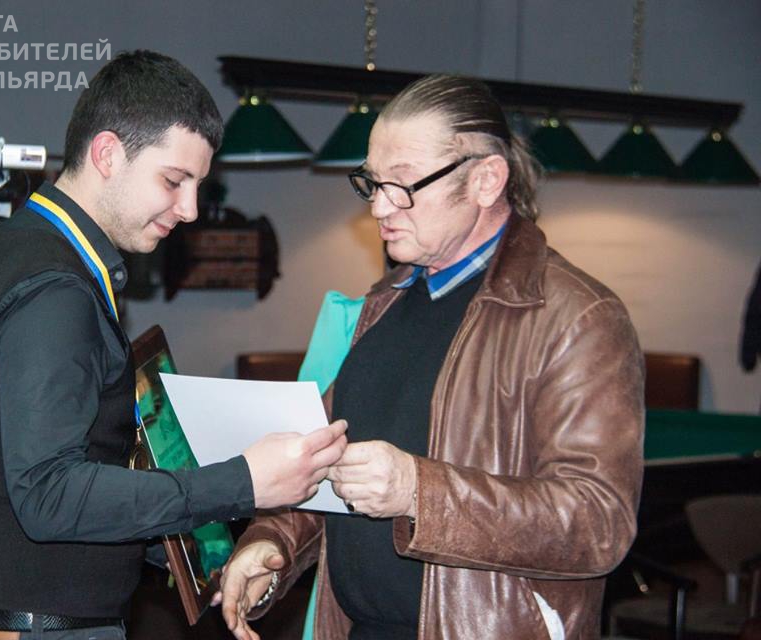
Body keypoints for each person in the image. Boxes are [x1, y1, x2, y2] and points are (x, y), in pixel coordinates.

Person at [0, 50, 347, 640]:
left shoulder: (8, 251)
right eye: (173, 181)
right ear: (107, 154)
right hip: (26, 622)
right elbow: (48, 494)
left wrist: (189, 555)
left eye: (198, 186)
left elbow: (26, 461)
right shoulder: (54, 287)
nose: (190, 210)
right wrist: (242, 481)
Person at [217, 74, 645, 640]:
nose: (379, 206)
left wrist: (419, 491)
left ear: (487, 180)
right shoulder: (384, 301)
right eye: (373, 183)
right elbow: (326, 466)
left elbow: (597, 522)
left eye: (403, 184)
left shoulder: (577, 316)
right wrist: (272, 542)